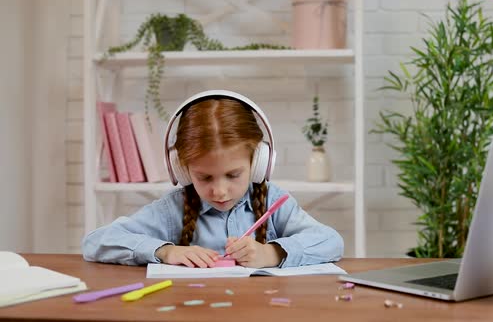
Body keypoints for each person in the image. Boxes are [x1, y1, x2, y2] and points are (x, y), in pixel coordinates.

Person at [82, 90, 344, 268]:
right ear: (181, 169)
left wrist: (271, 252)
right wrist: (165, 251)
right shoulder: (174, 208)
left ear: (258, 163)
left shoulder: (274, 201)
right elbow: (95, 242)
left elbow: (331, 242)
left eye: (233, 175)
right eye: (204, 177)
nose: (219, 191)